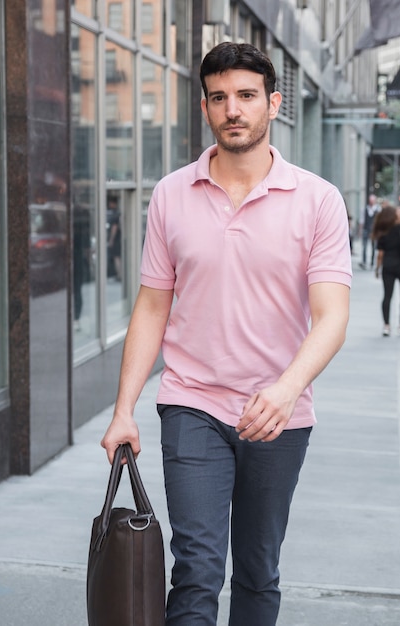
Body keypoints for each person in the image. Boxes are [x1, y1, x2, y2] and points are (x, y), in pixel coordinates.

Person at [101, 42, 352, 626]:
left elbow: (333, 315)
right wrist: (124, 409)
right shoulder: (171, 194)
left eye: (245, 96)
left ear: (274, 104)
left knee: (258, 571)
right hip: (192, 403)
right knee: (196, 570)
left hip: (278, 415)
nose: (232, 109)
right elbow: (152, 307)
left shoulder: (317, 199)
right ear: (205, 109)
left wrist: (287, 389)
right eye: (219, 98)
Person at [372, 205, 400, 336]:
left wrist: (377, 269)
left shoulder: (383, 233)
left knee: (387, 296)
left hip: (388, 267)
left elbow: (380, 255)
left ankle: (386, 326)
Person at [359, 193, 381, 269]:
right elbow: (362, 220)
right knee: (364, 246)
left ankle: (372, 262)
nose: (371, 202)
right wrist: (360, 230)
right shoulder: (365, 209)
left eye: (372, 201)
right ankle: (364, 262)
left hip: (374, 231)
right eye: (370, 201)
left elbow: (379, 221)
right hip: (366, 229)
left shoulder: (378, 210)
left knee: (373, 247)